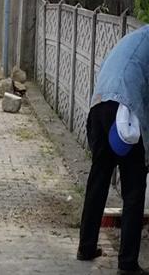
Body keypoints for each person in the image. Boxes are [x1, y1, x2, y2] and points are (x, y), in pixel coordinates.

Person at [77, 25, 149, 275]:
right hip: (123, 113)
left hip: (99, 107)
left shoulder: (133, 39)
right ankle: (127, 263)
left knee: (98, 178)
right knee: (134, 188)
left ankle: (86, 247)